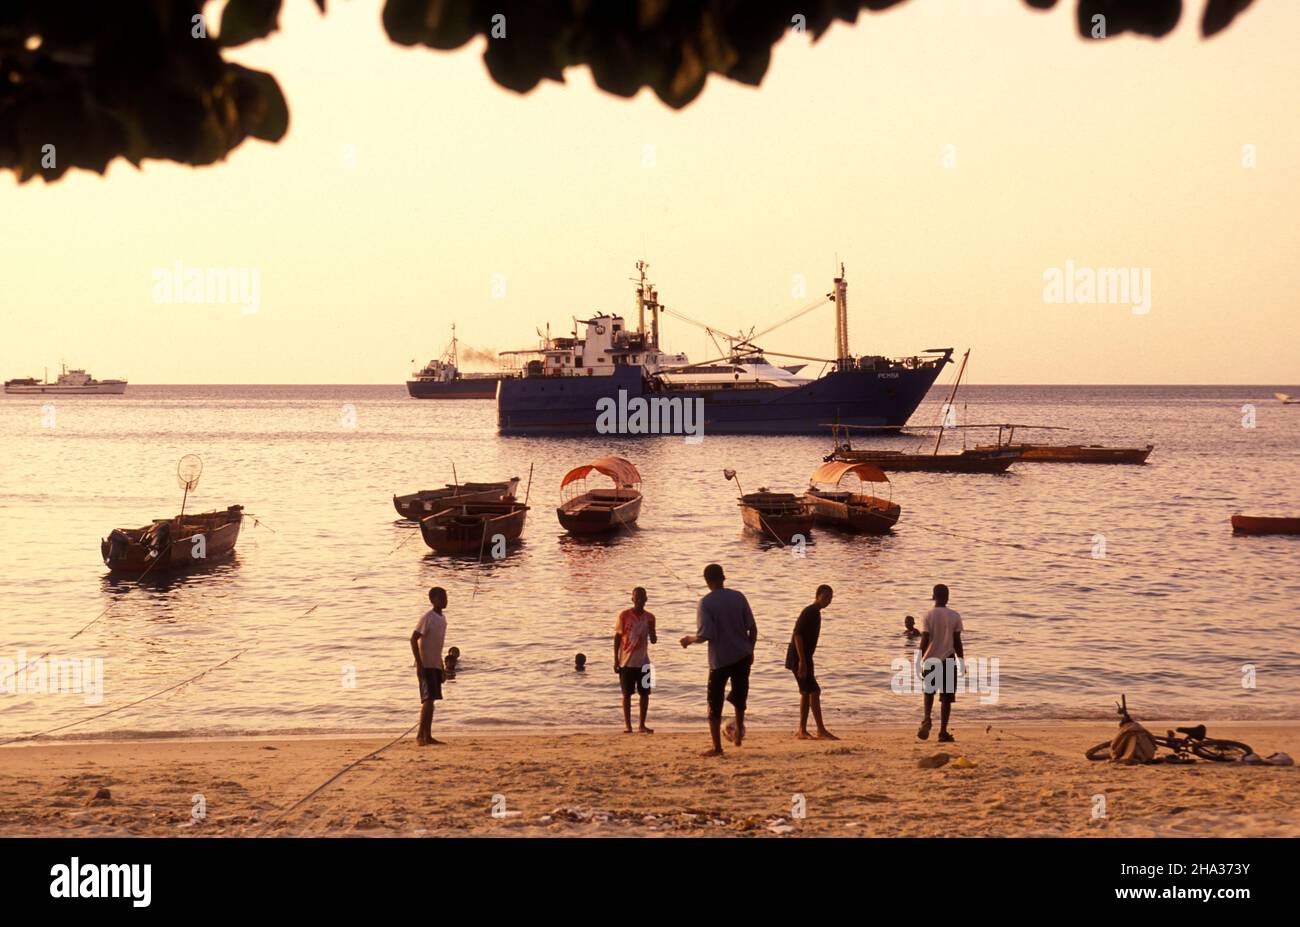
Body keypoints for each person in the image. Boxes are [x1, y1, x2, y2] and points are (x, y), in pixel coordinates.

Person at [680, 563, 757, 757]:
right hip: (742, 655)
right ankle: (738, 733)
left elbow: (705, 635)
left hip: (720, 660)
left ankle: (717, 747)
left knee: (714, 703)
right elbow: (753, 629)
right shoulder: (738, 596)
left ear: (707, 581)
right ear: (723, 578)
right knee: (740, 697)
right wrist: (751, 649)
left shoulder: (705, 603)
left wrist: (689, 639)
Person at [786, 585, 837, 740]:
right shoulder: (810, 612)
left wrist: (806, 659)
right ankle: (820, 730)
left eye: (831, 598)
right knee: (814, 691)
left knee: (806, 691)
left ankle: (802, 730)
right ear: (817, 595)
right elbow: (797, 636)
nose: (828, 600)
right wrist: (802, 661)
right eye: (826, 596)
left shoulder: (816, 613)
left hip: (806, 657)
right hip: (799, 657)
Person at [916, 583, 963, 743]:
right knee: (946, 698)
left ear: (933, 596)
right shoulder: (954, 615)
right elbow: (957, 641)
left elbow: (924, 639)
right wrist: (961, 661)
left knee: (928, 692)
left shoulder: (927, 615)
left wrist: (918, 659)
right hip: (948, 659)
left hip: (930, 660)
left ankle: (927, 719)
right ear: (947, 597)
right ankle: (943, 731)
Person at [613, 586, 657, 734]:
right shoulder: (624, 615)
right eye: (636, 597)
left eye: (641, 598)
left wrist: (652, 633)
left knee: (645, 693)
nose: (639, 600)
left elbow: (654, 640)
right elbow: (617, 637)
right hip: (626, 662)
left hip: (644, 662)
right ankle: (628, 726)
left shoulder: (650, 617)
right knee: (626, 694)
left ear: (646, 599)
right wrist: (615, 660)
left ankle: (642, 725)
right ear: (632, 599)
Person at [409, 586, 449, 746]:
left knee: (432, 701)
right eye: (442, 597)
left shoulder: (442, 618)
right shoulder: (428, 617)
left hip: (435, 664)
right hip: (425, 664)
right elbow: (413, 639)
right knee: (427, 699)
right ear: (433, 600)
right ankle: (420, 735)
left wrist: (442, 668)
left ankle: (428, 735)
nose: (445, 600)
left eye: (446, 597)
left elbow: (438, 645)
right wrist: (419, 665)